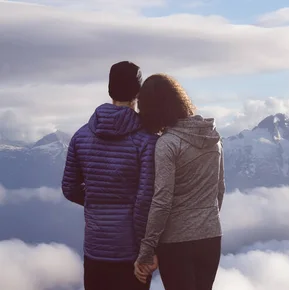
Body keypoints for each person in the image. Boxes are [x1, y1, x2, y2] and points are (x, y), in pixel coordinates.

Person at [62, 61, 159, 290]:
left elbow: (69, 188)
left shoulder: (81, 136)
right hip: (130, 252)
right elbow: (144, 201)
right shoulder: (146, 140)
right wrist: (147, 249)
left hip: (95, 249)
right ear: (138, 92)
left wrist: (99, 200)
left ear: (109, 90)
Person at [133, 74, 225, 290]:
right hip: (211, 237)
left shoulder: (168, 144)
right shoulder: (214, 138)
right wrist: (206, 220)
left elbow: (162, 201)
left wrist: (147, 251)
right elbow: (220, 189)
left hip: (176, 242)